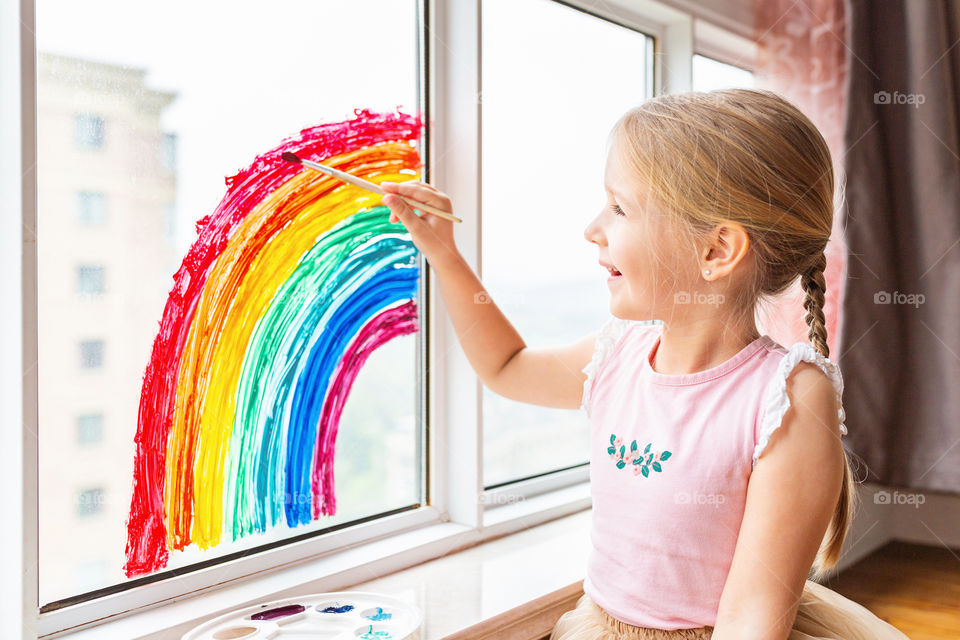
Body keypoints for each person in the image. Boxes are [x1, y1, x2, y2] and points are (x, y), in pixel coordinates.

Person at [379, 89, 911, 640]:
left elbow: (750, 616)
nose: (592, 227)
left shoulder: (788, 399)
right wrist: (442, 251)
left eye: (619, 207)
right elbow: (508, 366)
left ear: (716, 251)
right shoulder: (618, 355)